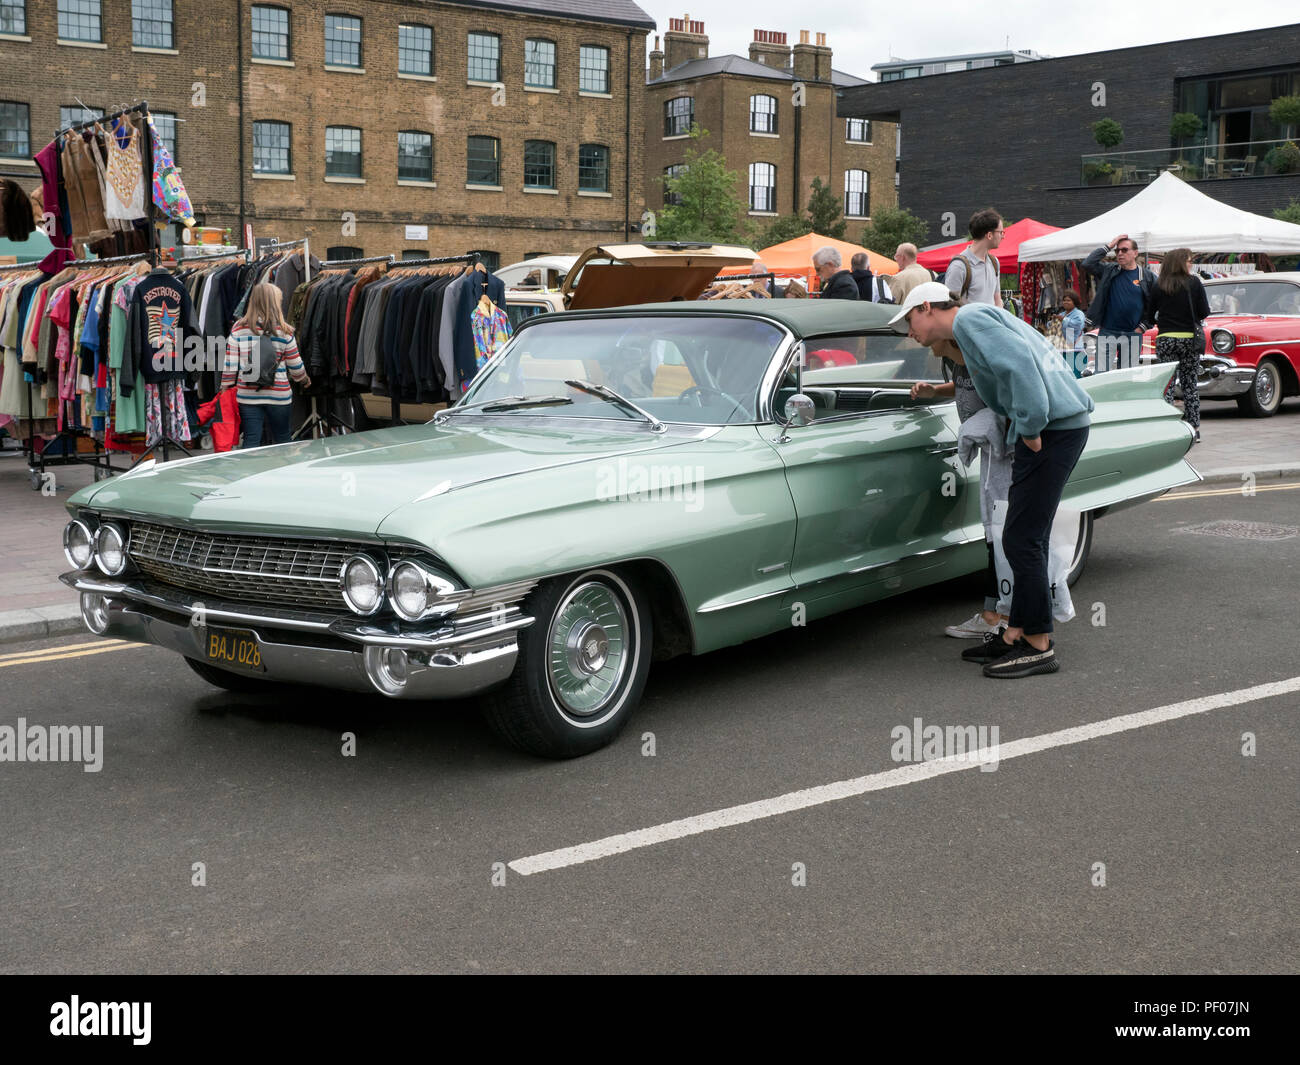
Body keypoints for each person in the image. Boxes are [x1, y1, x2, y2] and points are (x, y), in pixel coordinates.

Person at [893, 281, 1094, 678]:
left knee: (1022, 537)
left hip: (1053, 430)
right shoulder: (968, 332)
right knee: (1018, 535)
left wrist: (1032, 426)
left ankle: (1038, 644)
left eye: (910, 319)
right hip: (1052, 429)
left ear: (929, 307)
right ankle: (1016, 631)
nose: (909, 331)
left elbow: (1020, 365)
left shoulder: (969, 319)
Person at [910, 317, 1010, 641]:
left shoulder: (979, 357)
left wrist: (977, 429)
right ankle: (997, 612)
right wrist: (935, 390)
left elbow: (1007, 399)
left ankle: (1000, 615)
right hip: (991, 453)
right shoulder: (960, 362)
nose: (919, 338)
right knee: (994, 529)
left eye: (922, 331)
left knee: (1001, 531)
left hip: (1006, 454)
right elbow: (966, 386)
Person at [221, 282, 310, 448]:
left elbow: (230, 365)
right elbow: (296, 367)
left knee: (251, 441)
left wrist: (225, 386)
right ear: (276, 302)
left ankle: (252, 472)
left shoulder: (238, 328)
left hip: (247, 395)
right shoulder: (284, 331)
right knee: (283, 440)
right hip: (279, 396)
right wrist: (304, 380)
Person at [1148, 248, 1210, 442]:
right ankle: (1194, 428)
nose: (1191, 264)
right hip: (1189, 340)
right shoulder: (1194, 283)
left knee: (1167, 385)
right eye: (1189, 261)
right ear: (1181, 262)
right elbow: (1204, 312)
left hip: (1166, 339)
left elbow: (1150, 315)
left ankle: (1169, 427)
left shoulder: (1159, 285)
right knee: (1189, 384)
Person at [1082, 234, 1156, 372]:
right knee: (1101, 375)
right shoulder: (1109, 270)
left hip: (1133, 333)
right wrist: (1110, 245)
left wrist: (1144, 326)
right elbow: (1087, 263)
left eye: (1124, 250)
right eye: (1117, 251)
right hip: (1108, 331)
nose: (1120, 253)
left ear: (1135, 253)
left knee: (1126, 378)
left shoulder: (1147, 276)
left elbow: (1156, 304)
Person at [942, 209, 1004, 308]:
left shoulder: (994, 262)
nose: (1003, 236)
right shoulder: (959, 266)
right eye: (1001, 232)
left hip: (991, 323)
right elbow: (948, 307)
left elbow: (997, 299)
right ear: (989, 235)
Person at [1057, 290, 1087, 377]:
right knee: (1066, 373)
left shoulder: (1079, 314)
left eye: (1068, 300)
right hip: (1064, 348)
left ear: (1075, 302)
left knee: (1075, 373)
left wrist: (1063, 320)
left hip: (1076, 348)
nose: (1066, 302)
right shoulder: (1062, 314)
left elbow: (1078, 325)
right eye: (1064, 300)